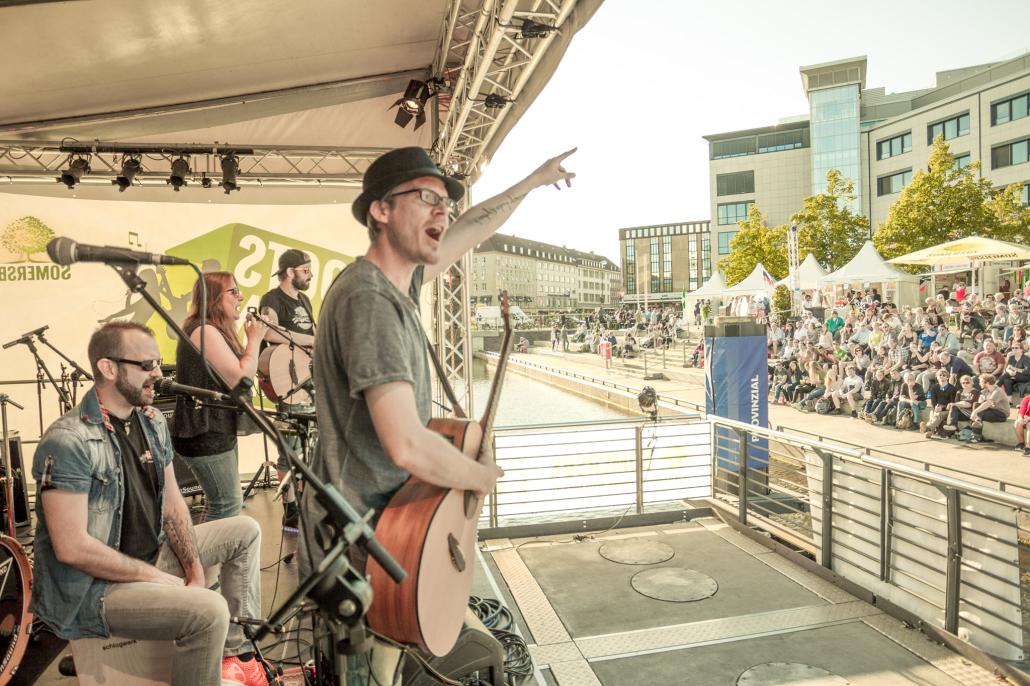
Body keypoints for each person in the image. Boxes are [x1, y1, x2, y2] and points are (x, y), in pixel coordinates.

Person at [301, 146, 573, 684]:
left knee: (441, 654)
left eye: (444, 200)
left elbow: (475, 222)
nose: (442, 210)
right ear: (380, 210)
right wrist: (480, 477)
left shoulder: (402, 284)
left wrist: (533, 180)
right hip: (369, 545)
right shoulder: (369, 300)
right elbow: (405, 443)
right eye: (426, 198)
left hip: (392, 532)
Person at [30, 322, 264, 686]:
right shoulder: (68, 441)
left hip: (151, 557)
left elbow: (173, 507)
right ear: (108, 369)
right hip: (95, 590)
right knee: (209, 610)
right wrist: (160, 580)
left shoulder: (152, 421)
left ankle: (237, 658)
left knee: (245, 531)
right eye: (147, 365)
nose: (158, 373)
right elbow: (72, 547)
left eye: (158, 362)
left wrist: (194, 572)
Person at [171, 272, 267, 520]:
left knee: (221, 504)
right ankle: (197, 558)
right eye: (233, 292)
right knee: (226, 504)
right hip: (205, 430)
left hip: (216, 427)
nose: (240, 296)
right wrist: (254, 340)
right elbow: (239, 378)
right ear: (213, 298)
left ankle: (203, 557)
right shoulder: (204, 330)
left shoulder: (215, 330)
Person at [259, 249, 317, 529]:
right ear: (290, 272)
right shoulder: (271, 300)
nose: (310, 275)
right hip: (287, 383)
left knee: (310, 446)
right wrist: (310, 340)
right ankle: (290, 508)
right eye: (305, 270)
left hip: (308, 381)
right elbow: (269, 333)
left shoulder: (304, 300)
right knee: (290, 448)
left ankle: (308, 500)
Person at [967, 373, 1010, 444]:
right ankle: (977, 433)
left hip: (1001, 414)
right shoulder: (985, 391)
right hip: (991, 411)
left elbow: (989, 403)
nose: (979, 383)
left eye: (980, 381)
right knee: (976, 405)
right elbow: (980, 404)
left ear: (986, 382)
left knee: (979, 413)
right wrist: (981, 400)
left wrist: (975, 412)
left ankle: (976, 434)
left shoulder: (997, 391)